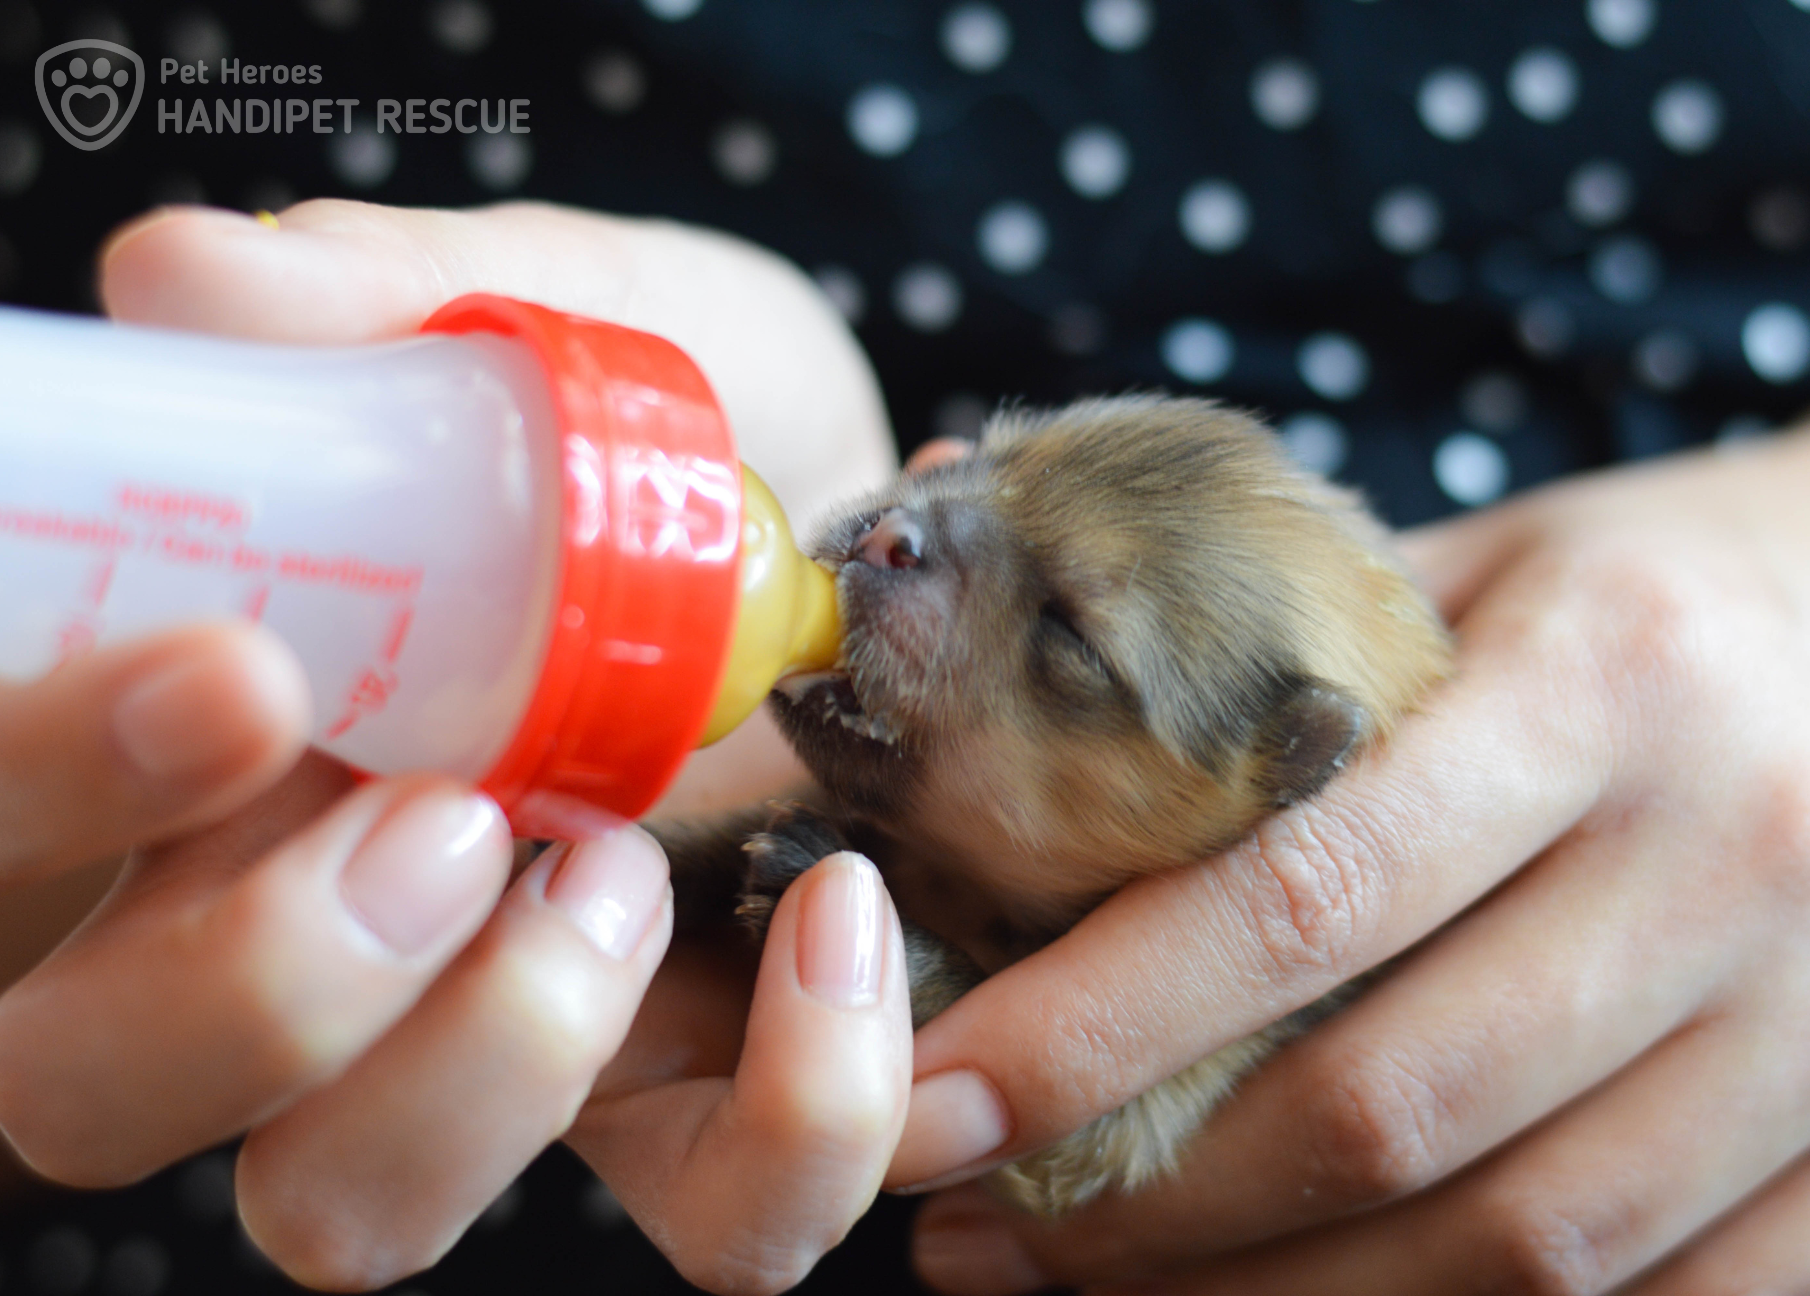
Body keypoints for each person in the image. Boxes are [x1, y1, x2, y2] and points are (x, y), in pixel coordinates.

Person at [4, 2, 1810, 1292]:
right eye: (981, 471)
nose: (891, 533)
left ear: (1281, 783)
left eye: (1065, 637)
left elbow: (1099, 1125)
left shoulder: (1359, 926)